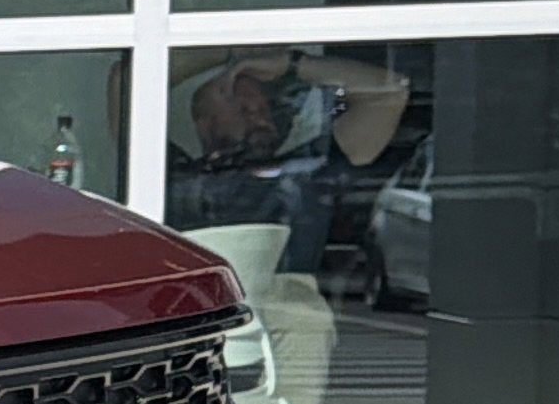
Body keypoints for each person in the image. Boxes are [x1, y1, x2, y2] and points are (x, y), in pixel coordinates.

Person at [166, 48, 411, 272]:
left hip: (286, 314)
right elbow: (140, 77)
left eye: (264, 110)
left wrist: (292, 65)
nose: (261, 121)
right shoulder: (164, 175)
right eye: (244, 111)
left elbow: (391, 92)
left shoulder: (309, 169)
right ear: (206, 124)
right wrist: (230, 54)